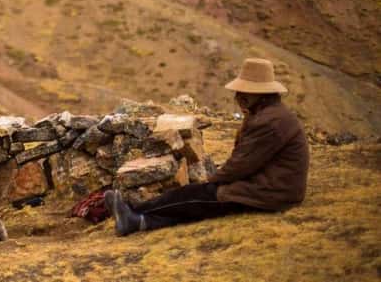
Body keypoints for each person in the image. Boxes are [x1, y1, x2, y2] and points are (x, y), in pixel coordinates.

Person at [105, 58, 310, 236]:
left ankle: (135, 211)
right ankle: (138, 220)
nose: (238, 97)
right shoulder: (267, 114)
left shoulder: (269, 122)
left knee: (195, 196)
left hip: (269, 192)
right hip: (270, 188)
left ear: (261, 94)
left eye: (245, 92)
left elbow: (241, 165)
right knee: (195, 204)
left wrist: (211, 182)